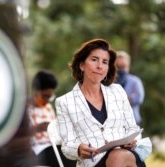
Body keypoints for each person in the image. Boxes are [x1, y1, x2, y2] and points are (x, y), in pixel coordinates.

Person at [55, 39, 148, 167]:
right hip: (94, 162)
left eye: (105, 62)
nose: (100, 66)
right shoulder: (64, 102)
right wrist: (78, 149)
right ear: (82, 65)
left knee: (118, 156)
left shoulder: (118, 91)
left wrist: (133, 141)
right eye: (94, 60)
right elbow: (67, 145)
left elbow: (132, 128)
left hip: (126, 156)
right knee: (117, 157)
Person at [28, 69, 76, 167]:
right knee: (64, 156)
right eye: (44, 96)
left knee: (72, 151)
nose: (46, 100)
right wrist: (37, 129)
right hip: (37, 150)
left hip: (53, 145)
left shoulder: (48, 107)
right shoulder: (24, 108)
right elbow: (19, 135)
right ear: (35, 90)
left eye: (50, 97)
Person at [115, 51, 145, 125]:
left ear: (128, 66)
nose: (120, 70)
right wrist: (129, 98)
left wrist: (118, 100)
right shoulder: (110, 82)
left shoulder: (135, 81)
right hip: (115, 123)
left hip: (133, 121)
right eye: (118, 67)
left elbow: (139, 97)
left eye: (123, 66)